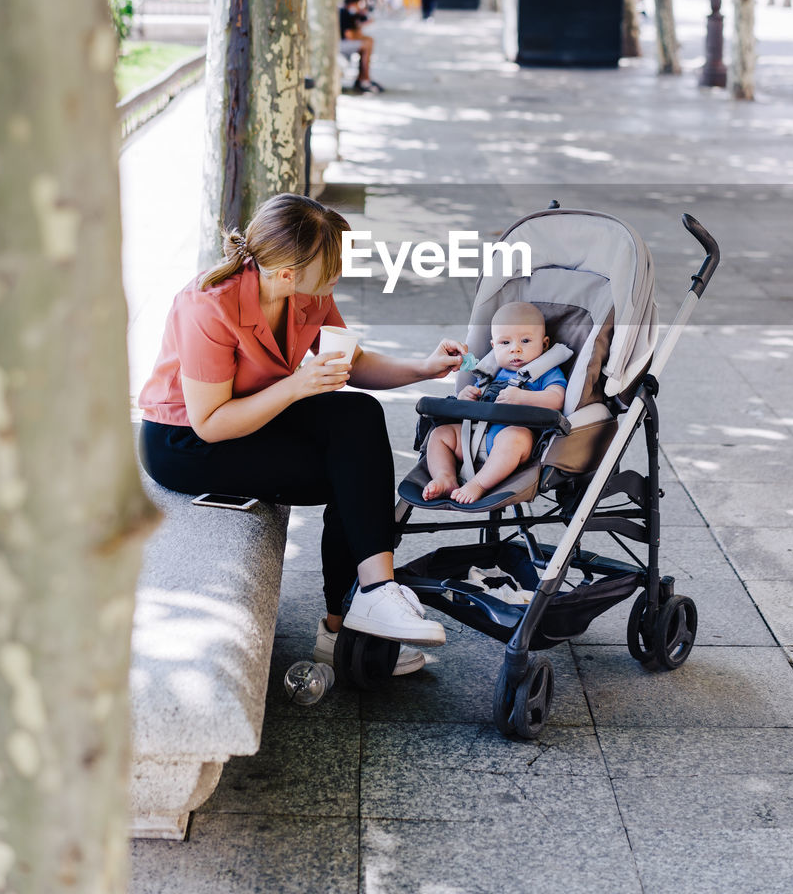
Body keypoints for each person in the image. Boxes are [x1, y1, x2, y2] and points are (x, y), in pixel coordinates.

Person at [138, 193, 468, 674]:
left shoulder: (307, 294)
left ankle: (373, 596)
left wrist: (424, 366)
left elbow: (351, 363)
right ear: (287, 273)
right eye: (331, 265)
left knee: (356, 418)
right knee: (348, 469)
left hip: (254, 417)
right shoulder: (208, 308)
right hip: (184, 442)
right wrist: (295, 387)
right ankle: (343, 628)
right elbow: (210, 423)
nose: (339, 273)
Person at [422, 302, 567, 505]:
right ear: (493, 346)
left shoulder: (546, 371)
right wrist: (466, 397)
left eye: (525, 341)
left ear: (544, 344)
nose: (515, 349)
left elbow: (558, 397)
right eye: (505, 343)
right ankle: (445, 477)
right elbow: (476, 400)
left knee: (515, 437)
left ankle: (479, 484)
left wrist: (524, 397)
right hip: (474, 438)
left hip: (516, 441)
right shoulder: (490, 372)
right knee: (440, 435)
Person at [339, 0, 383, 93]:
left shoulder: (353, 12)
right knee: (368, 43)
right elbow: (350, 35)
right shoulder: (346, 12)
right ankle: (365, 79)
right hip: (340, 45)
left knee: (369, 42)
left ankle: (362, 78)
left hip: (343, 43)